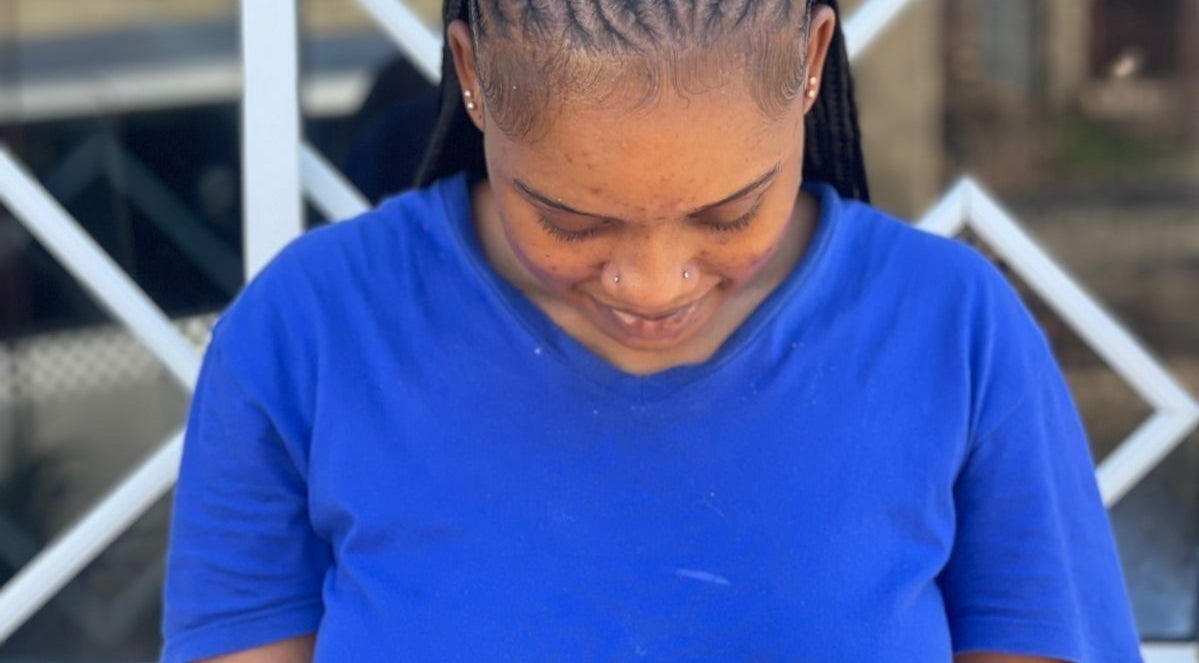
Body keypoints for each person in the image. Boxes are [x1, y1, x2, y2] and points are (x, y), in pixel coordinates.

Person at [159, 0, 1144, 661]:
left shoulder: (956, 337)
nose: (651, 283)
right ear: (472, 74)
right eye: (571, 221)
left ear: (810, 62)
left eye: (728, 215)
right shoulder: (306, 339)